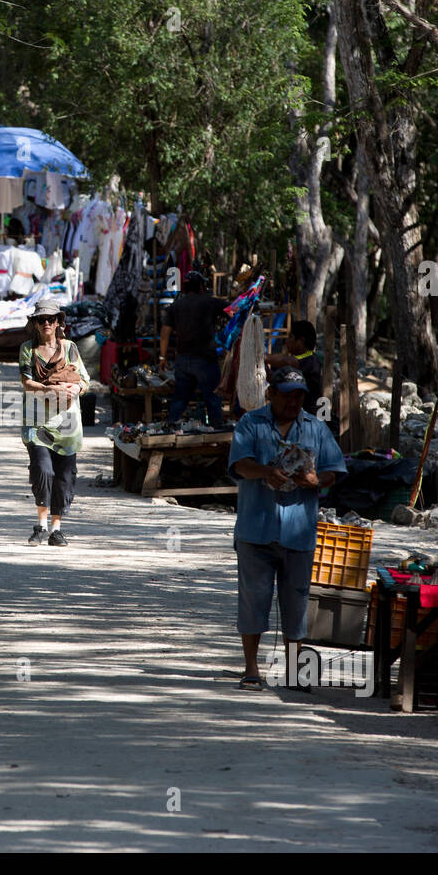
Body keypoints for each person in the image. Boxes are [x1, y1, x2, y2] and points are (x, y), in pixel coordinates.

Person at [228, 366, 347, 691]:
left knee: (296, 602)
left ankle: (295, 671)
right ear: (271, 394)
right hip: (256, 528)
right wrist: (265, 472)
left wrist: (314, 480)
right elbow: (239, 464)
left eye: (299, 396)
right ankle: (252, 668)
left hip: (299, 531)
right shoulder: (251, 423)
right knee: (253, 599)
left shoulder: (315, 429)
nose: (294, 402)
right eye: (287, 395)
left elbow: (333, 471)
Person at [18, 299, 89, 546]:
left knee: (64, 476)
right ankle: (41, 525)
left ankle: (56, 529)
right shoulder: (28, 348)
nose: (46, 323)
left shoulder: (70, 347)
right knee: (42, 470)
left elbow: (84, 381)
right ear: (35, 324)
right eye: (41, 319)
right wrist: (51, 388)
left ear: (59, 321)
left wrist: (73, 388)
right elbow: (27, 382)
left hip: (68, 425)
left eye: (51, 319)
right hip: (37, 424)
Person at [159, 270, 226, 426]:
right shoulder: (209, 302)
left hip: (183, 361)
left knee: (179, 401)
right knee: (213, 400)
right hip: (205, 361)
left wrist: (162, 358)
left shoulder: (176, 305)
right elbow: (233, 311)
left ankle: (172, 431)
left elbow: (165, 332)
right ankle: (216, 437)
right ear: (201, 286)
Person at [265, 320, 323, 415]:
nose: (286, 340)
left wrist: (263, 357)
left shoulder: (310, 360)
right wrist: (263, 369)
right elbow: (275, 379)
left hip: (311, 418)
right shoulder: (295, 363)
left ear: (301, 340)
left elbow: (288, 361)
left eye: (290, 337)